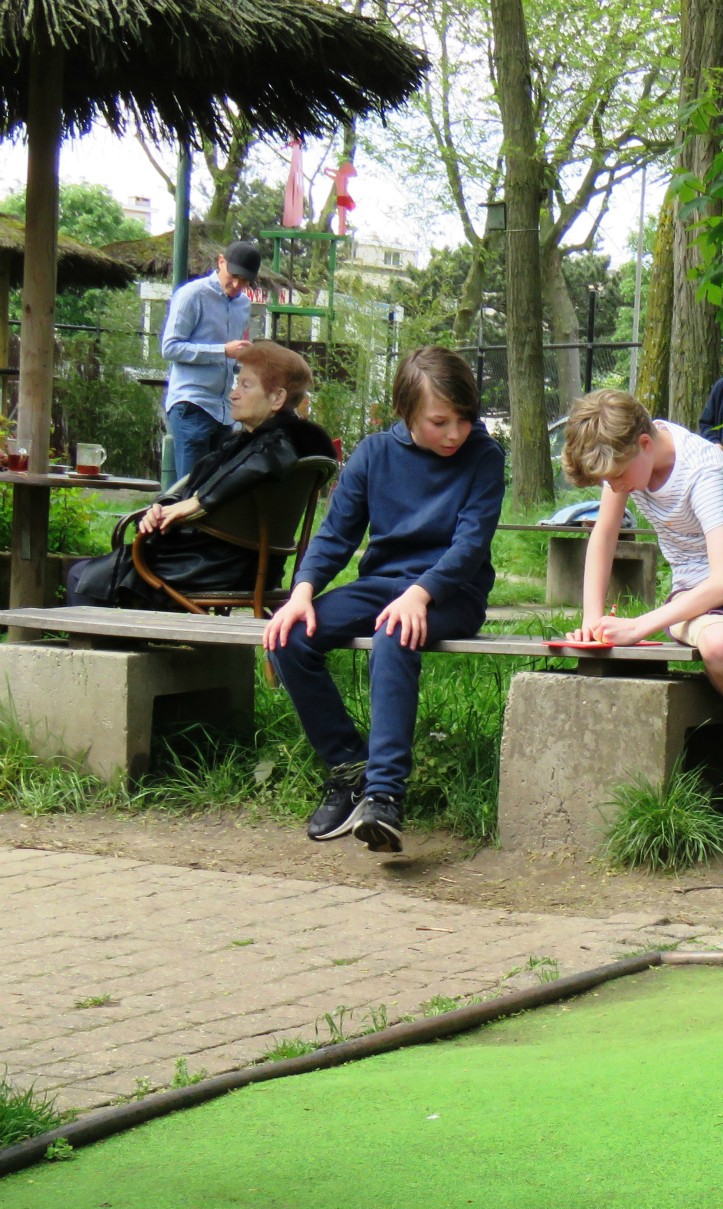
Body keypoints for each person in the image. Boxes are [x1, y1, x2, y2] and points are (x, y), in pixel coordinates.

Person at [262, 347, 505, 855]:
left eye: (465, 419)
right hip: (383, 585)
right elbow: (334, 537)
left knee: (394, 632)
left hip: (450, 592)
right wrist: (301, 593)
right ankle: (349, 771)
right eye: (441, 421)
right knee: (288, 638)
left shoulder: (484, 456)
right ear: (406, 411)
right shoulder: (374, 454)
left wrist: (421, 594)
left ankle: (384, 795)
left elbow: (470, 545)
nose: (455, 433)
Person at [562, 388, 723, 841]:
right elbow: (604, 537)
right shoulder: (625, 465)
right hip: (692, 589)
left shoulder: (701, 469)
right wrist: (592, 616)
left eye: (620, 476)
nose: (618, 487)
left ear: (645, 444)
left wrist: (642, 625)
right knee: (721, 647)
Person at [67, 342, 334, 610]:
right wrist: (162, 508)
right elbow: (199, 482)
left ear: (277, 398)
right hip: (238, 566)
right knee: (95, 574)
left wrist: (198, 501)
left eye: (245, 385)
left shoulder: (277, 445)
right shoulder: (263, 443)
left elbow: (257, 463)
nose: (233, 394)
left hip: (206, 566)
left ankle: (86, 650)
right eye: (236, 384)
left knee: (82, 577)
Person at [161, 241, 262, 485]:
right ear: (220, 262)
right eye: (233, 276)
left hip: (225, 412)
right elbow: (170, 347)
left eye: (245, 281)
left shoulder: (243, 305)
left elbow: (232, 359)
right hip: (191, 404)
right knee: (189, 489)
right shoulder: (192, 295)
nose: (237, 285)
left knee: (213, 492)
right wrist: (223, 351)